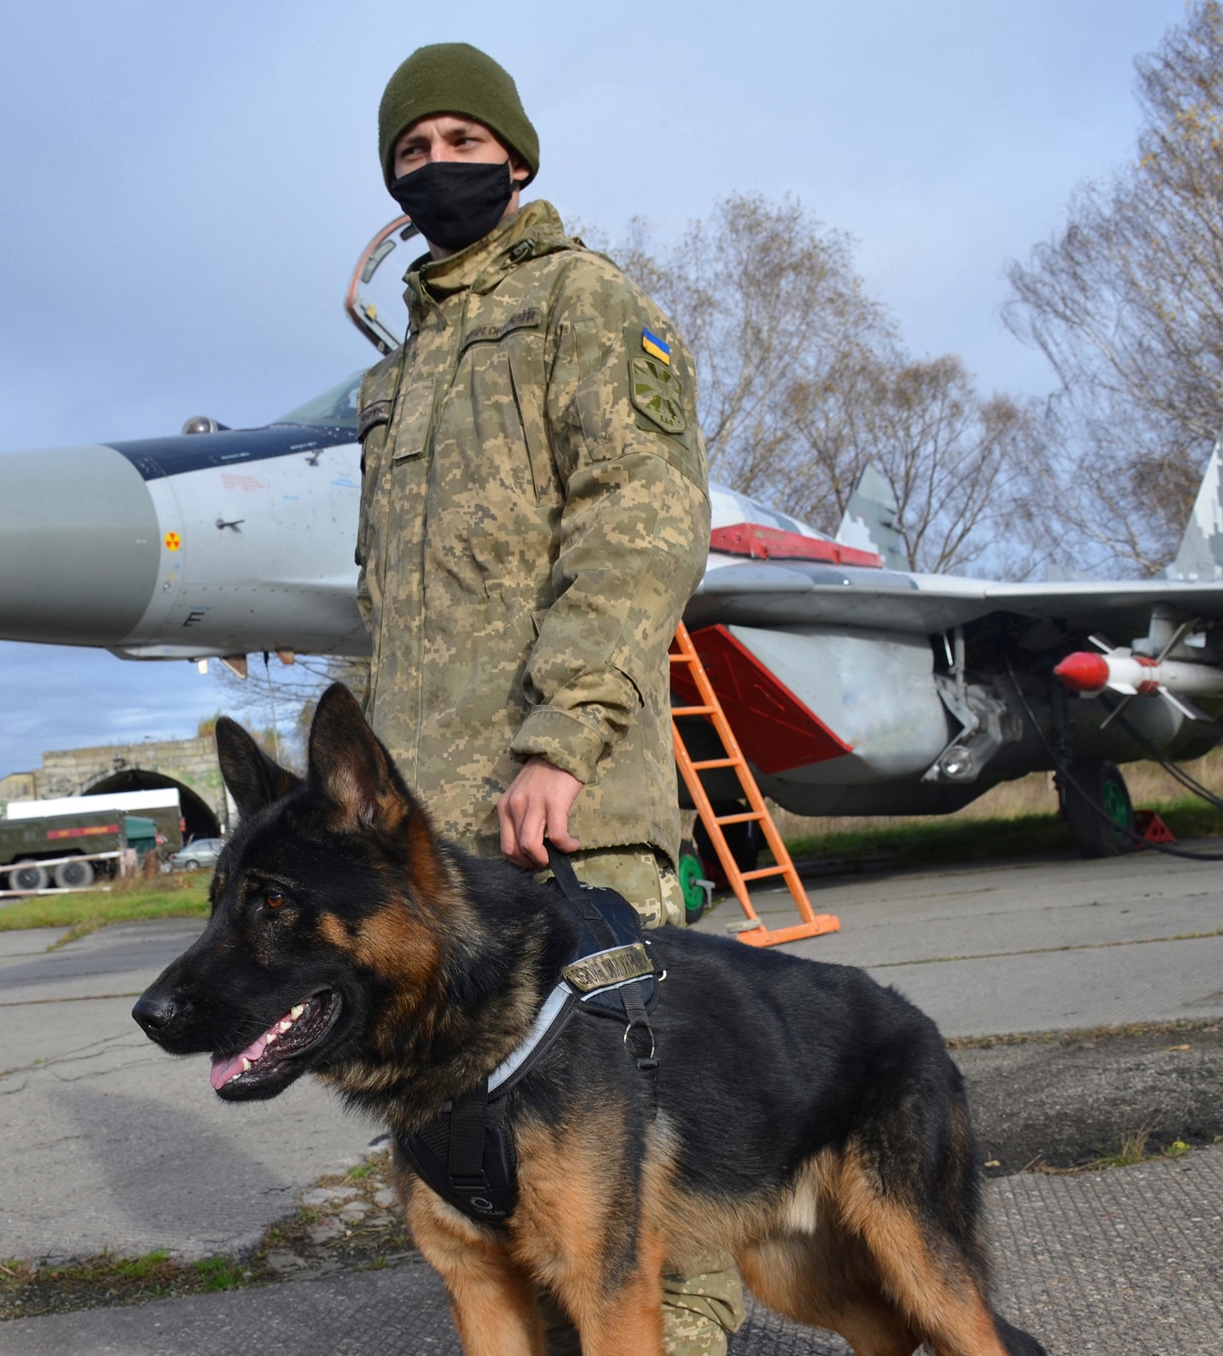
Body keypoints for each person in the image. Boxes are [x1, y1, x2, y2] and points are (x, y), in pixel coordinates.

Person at [354, 42, 740, 1356]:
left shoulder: (585, 301)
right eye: (414, 150)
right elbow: (392, 613)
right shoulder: (395, 373)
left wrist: (561, 742)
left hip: (567, 806)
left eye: (465, 142)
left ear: (516, 159)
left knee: (633, 1122)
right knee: (468, 1134)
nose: (439, 166)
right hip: (437, 847)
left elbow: (641, 527)